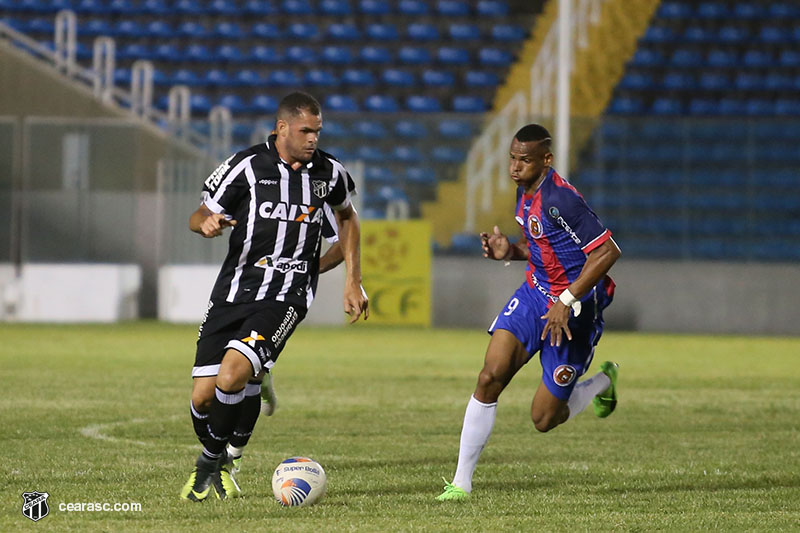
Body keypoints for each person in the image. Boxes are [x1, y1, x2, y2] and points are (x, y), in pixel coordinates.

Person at [181, 91, 368, 502]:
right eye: (305, 130)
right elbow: (198, 213)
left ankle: (215, 463)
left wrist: (352, 279)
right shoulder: (246, 167)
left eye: (317, 131)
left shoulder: (329, 173)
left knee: (233, 374)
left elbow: (348, 218)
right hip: (234, 290)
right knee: (202, 396)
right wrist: (207, 223)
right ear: (281, 128)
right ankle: (246, 400)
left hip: (286, 296)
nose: (313, 139)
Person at [437, 124, 621, 501]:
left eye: (524, 160)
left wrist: (566, 301)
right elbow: (541, 246)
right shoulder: (526, 193)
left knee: (543, 419)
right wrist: (510, 251)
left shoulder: (561, 199)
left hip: (574, 311)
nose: (514, 167)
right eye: (512, 158)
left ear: (546, 160)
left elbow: (607, 252)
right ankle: (461, 483)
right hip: (535, 295)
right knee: (490, 375)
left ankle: (603, 383)